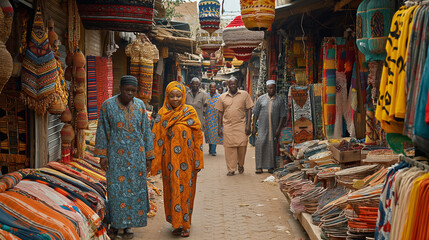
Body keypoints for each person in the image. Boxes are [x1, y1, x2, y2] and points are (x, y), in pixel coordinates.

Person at [94, 75, 154, 240]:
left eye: (133, 91)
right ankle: (117, 226)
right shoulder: (108, 106)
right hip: (115, 157)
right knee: (116, 192)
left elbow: (147, 132)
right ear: (120, 88)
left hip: (136, 157)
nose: (130, 93)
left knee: (135, 191)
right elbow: (102, 131)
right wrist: (102, 155)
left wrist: (149, 157)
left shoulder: (140, 106)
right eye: (127, 90)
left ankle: (129, 226)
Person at [151, 81, 204, 238]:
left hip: (187, 161)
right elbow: (156, 139)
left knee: (186, 192)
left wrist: (198, 160)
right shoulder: (162, 114)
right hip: (169, 162)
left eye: (178, 96)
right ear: (167, 96)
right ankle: (176, 223)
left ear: (183, 96)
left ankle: (185, 225)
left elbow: (198, 138)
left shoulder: (190, 112)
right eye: (172, 96)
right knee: (172, 190)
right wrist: (155, 162)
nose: (175, 99)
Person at [216, 77, 254, 176]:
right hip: (228, 126)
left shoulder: (244, 95)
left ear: (238, 85)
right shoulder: (222, 97)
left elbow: (249, 109)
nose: (233, 86)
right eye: (231, 84)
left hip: (241, 124)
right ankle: (231, 169)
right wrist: (219, 127)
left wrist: (248, 124)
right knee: (229, 148)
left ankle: (240, 164)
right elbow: (220, 112)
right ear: (228, 85)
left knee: (242, 145)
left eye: (235, 84)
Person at [252, 80, 287, 174]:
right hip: (262, 127)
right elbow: (255, 113)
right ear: (267, 88)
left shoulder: (279, 100)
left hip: (274, 128)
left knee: (272, 146)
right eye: (270, 88)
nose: (272, 90)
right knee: (260, 144)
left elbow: (282, 116)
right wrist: (254, 127)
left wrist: (278, 129)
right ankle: (259, 167)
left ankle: (271, 167)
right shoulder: (261, 99)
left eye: (273, 87)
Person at [205, 82, 223, 156]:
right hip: (208, 118)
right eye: (211, 87)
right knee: (209, 134)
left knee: (215, 134)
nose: (213, 89)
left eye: (214, 87)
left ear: (216, 88)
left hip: (216, 118)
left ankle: (213, 150)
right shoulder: (206, 96)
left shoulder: (219, 97)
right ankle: (210, 149)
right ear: (209, 88)